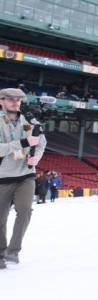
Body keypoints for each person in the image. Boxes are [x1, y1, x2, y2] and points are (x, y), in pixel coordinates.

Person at [0, 87, 47, 269]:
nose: (15, 102)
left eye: (18, 99)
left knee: (25, 210)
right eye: (10, 99)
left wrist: (37, 156)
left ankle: (13, 251)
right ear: (1, 101)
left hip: (25, 174)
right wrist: (24, 143)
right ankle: (1, 252)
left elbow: (41, 142)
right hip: (2, 176)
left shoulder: (26, 121)